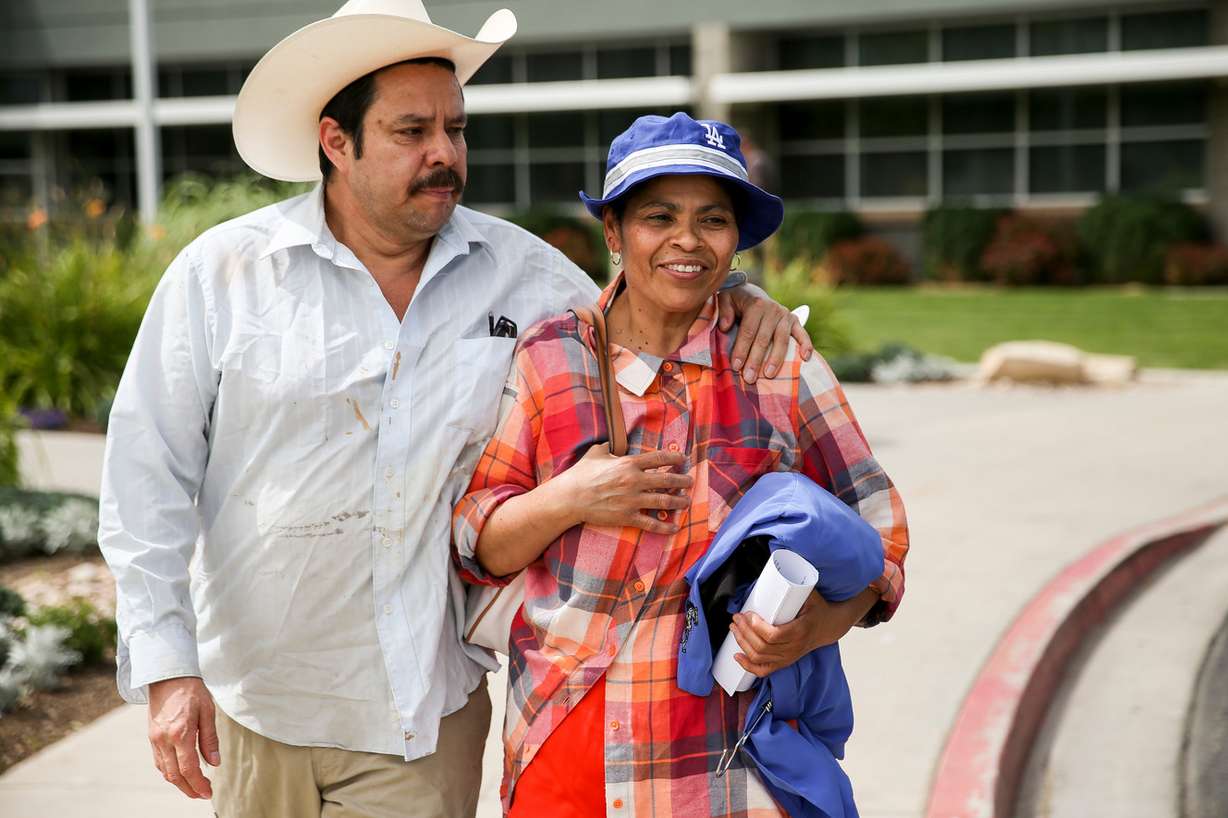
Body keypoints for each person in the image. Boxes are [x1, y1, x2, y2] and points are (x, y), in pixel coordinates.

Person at [96, 3, 810, 817]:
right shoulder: (223, 276)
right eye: (412, 132)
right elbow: (145, 478)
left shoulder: (526, 278)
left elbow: (654, 302)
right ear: (337, 141)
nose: (445, 154)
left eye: (455, 128)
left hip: (422, 720)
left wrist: (747, 298)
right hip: (257, 706)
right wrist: (165, 667)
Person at [452, 113, 909, 816]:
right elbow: (476, 541)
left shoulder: (777, 362)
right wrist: (570, 498)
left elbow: (881, 535)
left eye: (713, 220)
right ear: (614, 231)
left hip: (718, 763)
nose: (687, 240)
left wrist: (813, 626)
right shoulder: (553, 357)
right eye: (658, 215)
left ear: (737, 239)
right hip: (564, 746)